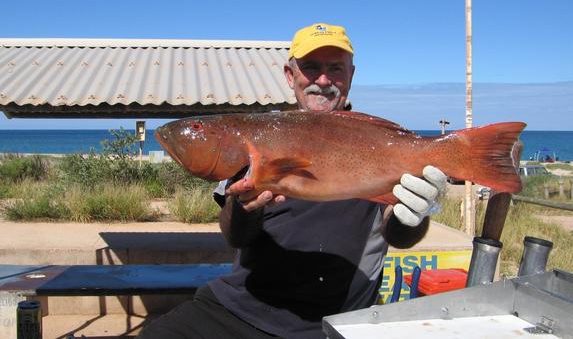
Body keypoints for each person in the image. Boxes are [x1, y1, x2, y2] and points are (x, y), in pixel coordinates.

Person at [138, 23, 446, 339]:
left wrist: (415, 213)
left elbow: (400, 234)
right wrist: (244, 209)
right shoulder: (253, 135)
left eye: (335, 69)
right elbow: (235, 236)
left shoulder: (378, 141)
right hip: (239, 307)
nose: (323, 80)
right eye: (311, 67)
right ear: (290, 75)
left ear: (351, 75)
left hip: (330, 322)